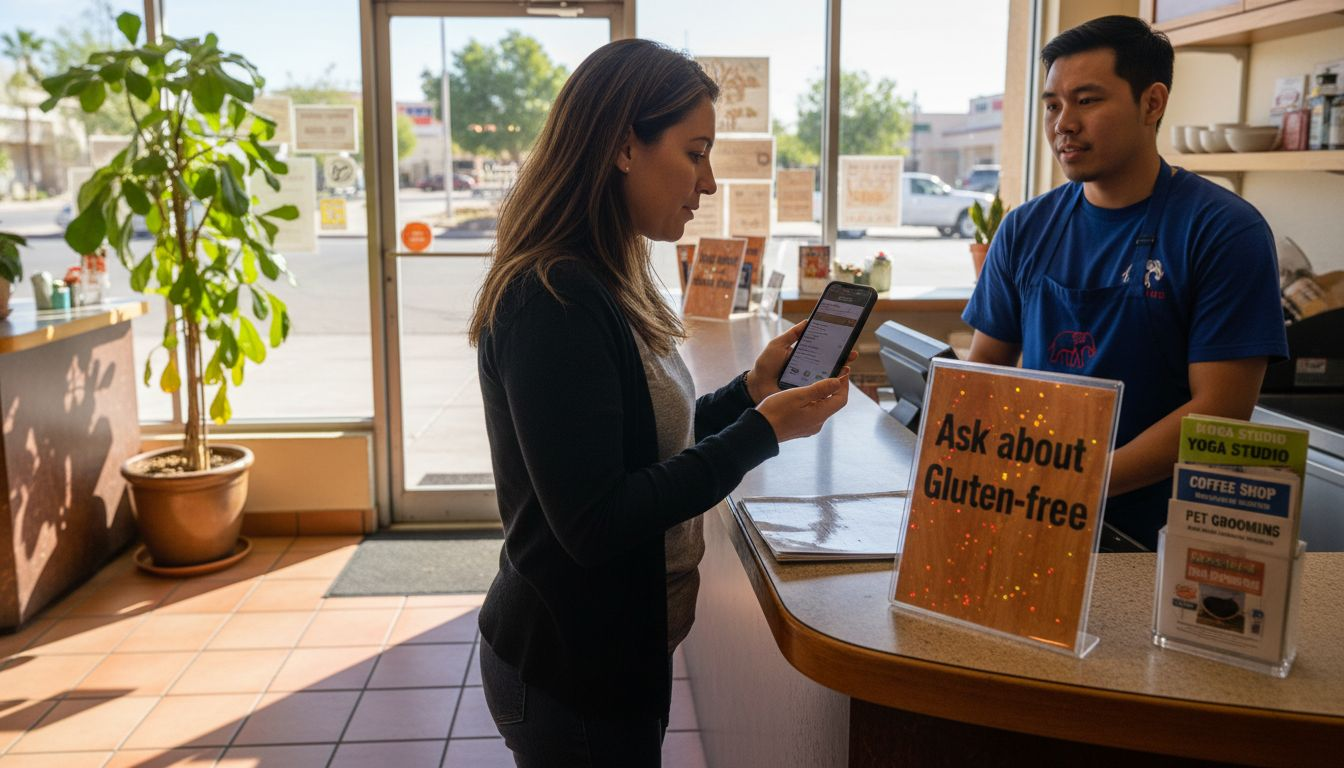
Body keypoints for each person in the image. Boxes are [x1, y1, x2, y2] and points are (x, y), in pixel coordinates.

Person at [467, 39, 851, 766]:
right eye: (695, 152)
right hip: (571, 670)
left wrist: (750, 393)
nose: (708, 182)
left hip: (614, 658)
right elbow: (596, 521)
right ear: (622, 147)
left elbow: (641, 443)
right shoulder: (554, 299)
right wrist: (760, 433)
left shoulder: (611, 276)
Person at [963, 15, 1288, 551]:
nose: (1064, 124)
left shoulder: (1224, 230)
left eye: (1087, 101)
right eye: (1052, 105)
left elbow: (1221, 410)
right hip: (1038, 521)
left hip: (1163, 543)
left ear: (1152, 103)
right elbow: (983, 372)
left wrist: (1079, 485)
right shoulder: (1025, 227)